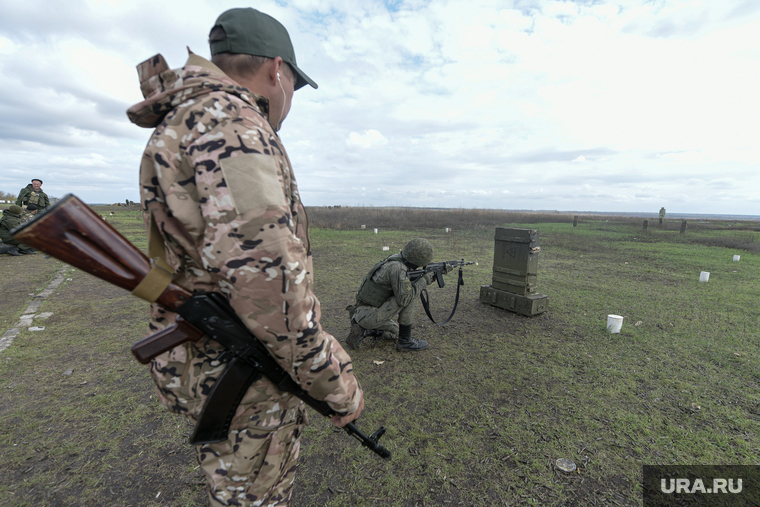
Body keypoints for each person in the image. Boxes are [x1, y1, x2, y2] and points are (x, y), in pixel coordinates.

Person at [126, 7, 363, 506]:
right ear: (278, 71)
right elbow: (270, 287)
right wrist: (335, 385)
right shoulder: (234, 127)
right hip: (243, 369)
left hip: (216, 355)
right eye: (294, 86)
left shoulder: (186, 120)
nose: (289, 101)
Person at [346, 238, 440, 352]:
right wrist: (425, 279)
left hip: (362, 312)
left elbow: (405, 282)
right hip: (369, 315)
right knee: (408, 297)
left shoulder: (396, 259)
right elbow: (405, 299)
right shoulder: (397, 268)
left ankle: (363, 330)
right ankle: (405, 342)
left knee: (396, 334)